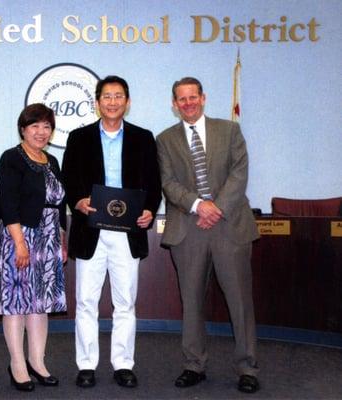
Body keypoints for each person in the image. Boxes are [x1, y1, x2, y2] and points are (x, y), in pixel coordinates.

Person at [156, 77, 260, 393]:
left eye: (193, 97)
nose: (187, 103)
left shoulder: (230, 131)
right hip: (189, 230)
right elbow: (168, 182)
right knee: (191, 302)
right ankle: (194, 365)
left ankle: (247, 367)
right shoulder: (165, 140)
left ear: (203, 98)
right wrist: (199, 205)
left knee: (239, 301)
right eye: (181, 99)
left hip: (230, 226)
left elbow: (239, 173)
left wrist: (216, 208)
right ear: (174, 104)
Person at [62, 75, 162, 389]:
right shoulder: (79, 138)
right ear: (97, 102)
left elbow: (154, 183)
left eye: (119, 96)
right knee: (86, 302)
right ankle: (87, 365)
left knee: (125, 302)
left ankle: (123, 364)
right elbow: (68, 179)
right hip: (91, 228)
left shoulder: (143, 138)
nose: (113, 101)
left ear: (127, 102)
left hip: (127, 231)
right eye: (107, 96)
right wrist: (77, 201)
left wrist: (148, 208)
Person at [0, 103, 67, 392]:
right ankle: (17, 365)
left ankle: (37, 362)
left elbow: (59, 204)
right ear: (23, 129)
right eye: (35, 126)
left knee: (40, 303)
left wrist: (61, 240)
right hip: (20, 236)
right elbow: (8, 204)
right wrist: (20, 244)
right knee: (17, 304)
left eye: (47, 126)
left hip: (49, 239)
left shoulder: (52, 161)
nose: (41, 132)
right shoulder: (11, 158)